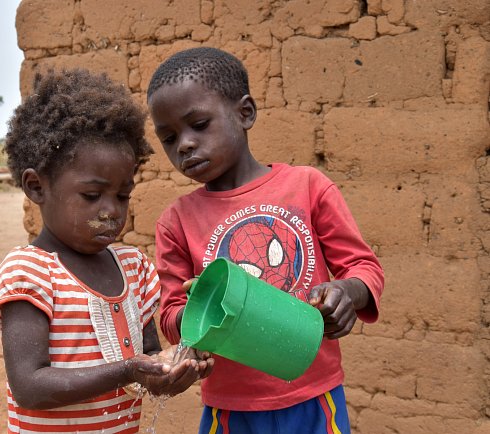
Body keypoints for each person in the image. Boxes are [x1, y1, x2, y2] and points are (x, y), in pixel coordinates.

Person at [146, 47, 384, 433]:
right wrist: (198, 310)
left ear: (245, 113)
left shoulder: (307, 187)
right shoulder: (176, 222)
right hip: (231, 409)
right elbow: (171, 318)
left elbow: (364, 269)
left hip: (312, 396)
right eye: (169, 138)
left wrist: (345, 294)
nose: (185, 145)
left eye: (199, 125)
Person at [0, 69, 213, 434]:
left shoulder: (133, 268)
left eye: (122, 195)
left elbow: (148, 355)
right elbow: (29, 386)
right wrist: (128, 370)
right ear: (36, 187)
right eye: (91, 196)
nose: (111, 211)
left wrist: (167, 369)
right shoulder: (28, 273)